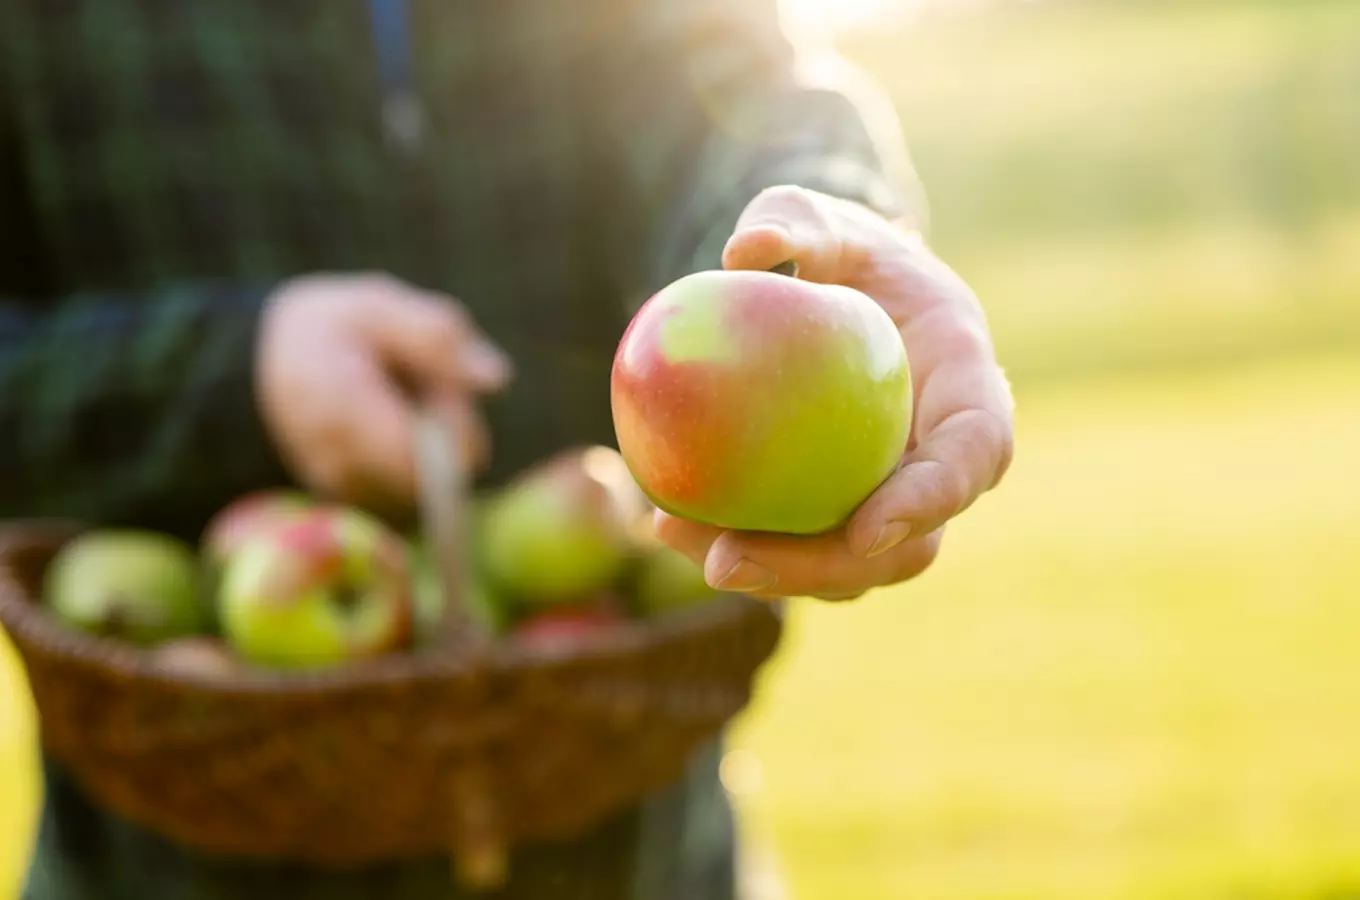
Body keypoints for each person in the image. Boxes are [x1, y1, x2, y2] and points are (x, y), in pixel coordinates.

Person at [0, 0, 1014, 897]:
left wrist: (823, 235)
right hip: (163, 867)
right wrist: (228, 377)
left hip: (643, 857)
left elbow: (733, 87)